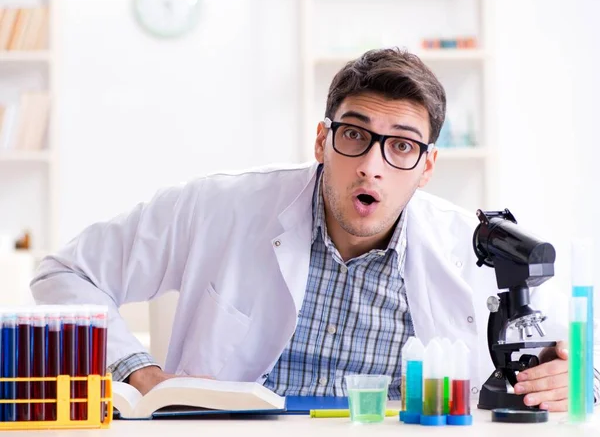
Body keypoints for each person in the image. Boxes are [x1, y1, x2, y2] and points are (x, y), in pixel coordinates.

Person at [30, 48, 597, 412]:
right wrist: (139, 371)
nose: (372, 165)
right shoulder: (218, 205)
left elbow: (580, 358)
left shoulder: (474, 248)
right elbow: (63, 273)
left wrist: (577, 378)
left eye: (401, 146)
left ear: (426, 167)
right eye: (355, 135)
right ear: (323, 140)